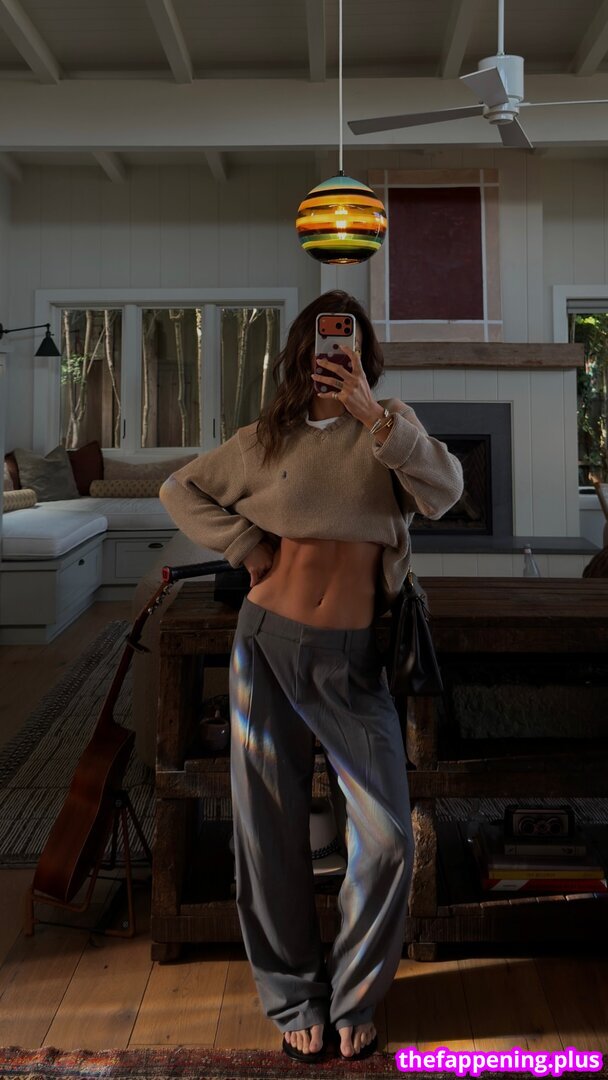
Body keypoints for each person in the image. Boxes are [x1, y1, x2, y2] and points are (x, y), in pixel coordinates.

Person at [159, 290, 464, 1063]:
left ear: (363, 353)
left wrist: (374, 417)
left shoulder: (389, 426)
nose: (336, 352)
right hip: (266, 648)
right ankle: (295, 996)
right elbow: (178, 488)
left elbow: (447, 492)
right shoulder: (268, 438)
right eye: (326, 341)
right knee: (267, 836)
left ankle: (355, 994)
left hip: (354, 662)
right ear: (304, 351)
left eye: (349, 341)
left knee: (387, 839)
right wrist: (247, 546)